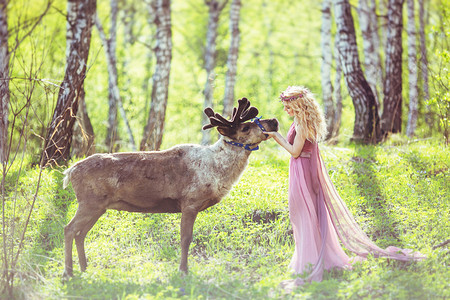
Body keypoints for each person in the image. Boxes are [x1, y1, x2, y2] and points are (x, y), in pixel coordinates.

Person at [263, 86, 424, 286]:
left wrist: (276, 136)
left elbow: (295, 152)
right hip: (301, 170)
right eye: (285, 106)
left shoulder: (303, 124)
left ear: (298, 105)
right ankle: (313, 258)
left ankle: (309, 263)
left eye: (288, 106)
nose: (286, 110)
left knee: (304, 215)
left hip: (302, 172)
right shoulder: (300, 121)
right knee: (306, 215)